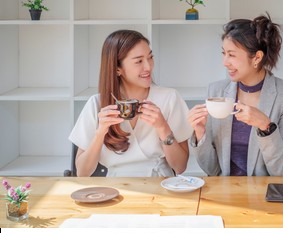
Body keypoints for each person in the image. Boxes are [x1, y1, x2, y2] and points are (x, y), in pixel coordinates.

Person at [187, 13, 283, 176]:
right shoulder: (216, 92)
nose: (224, 62)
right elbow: (212, 171)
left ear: (257, 57)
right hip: (224, 192)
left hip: (264, 195)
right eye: (224, 53)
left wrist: (265, 126)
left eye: (232, 55)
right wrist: (200, 133)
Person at [69, 30, 193, 177]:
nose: (148, 67)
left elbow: (180, 167)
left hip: (160, 184)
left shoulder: (170, 98)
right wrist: (100, 132)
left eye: (150, 57)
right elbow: (82, 173)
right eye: (139, 61)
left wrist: (163, 127)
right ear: (117, 69)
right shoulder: (96, 104)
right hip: (114, 189)